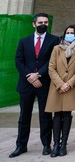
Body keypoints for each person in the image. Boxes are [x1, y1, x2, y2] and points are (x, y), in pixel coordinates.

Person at [10, 13, 58, 158]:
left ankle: (46, 145)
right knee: (24, 115)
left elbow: (52, 60)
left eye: (45, 22)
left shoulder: (54, 40)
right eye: (40, 22)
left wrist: (38, 74)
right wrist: (30, 77)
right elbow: (19, 61)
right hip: (26, 84)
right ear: (34, 24)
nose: (43, 25)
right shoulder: (24, 41)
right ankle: (21, 145)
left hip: (44, 83)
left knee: (45, 115)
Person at [45, 24, 75, 157]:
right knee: (57, 115)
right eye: (68, 32)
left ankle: (63, 144)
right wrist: (60, 84)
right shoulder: (57, 48)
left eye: (72, 33)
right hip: (57, 87)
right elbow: (51, 68)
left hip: (71, 87)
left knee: (67, 114)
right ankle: (56, 144)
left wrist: (69, 84)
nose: (69, 34)